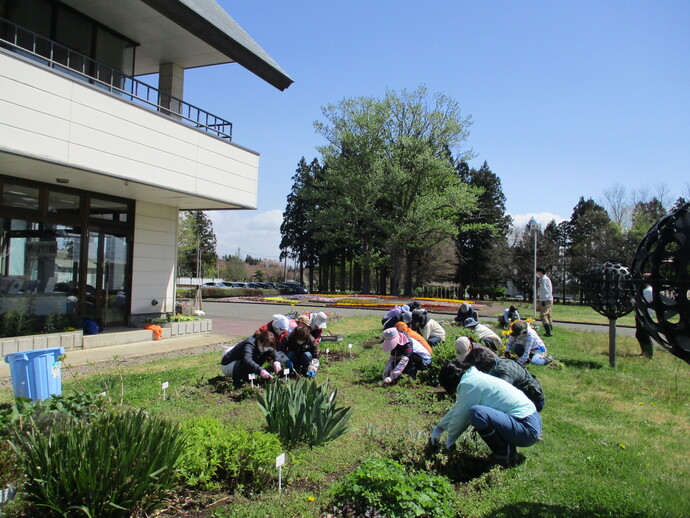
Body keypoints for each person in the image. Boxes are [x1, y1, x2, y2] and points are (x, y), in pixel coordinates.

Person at [430, 361, 542, 467]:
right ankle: (508, 449)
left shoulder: (470, 384)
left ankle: (504, 455)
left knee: (478, 413)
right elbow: (459, 408)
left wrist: (450, 440)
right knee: (482, 413)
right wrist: (439, 428)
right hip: (532, 421)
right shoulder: (475, 378)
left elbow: (461, 417)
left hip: (526, 429)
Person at [466, 347, 545, 412]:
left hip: (535, 402)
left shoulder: (502, 373)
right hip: (528, 395)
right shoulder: (498, 362)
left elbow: (500, 397)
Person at [536, 267, 554, 337]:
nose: (537, 274)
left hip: (545, 300)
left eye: (537, 272)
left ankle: (548, 332)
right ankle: (550, 329)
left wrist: (542, 300)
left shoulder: (543, 279)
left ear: (540, 272)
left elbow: (544, 291)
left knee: (543, 315)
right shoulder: (546, 279)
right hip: (548, 299)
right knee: (548, 315)